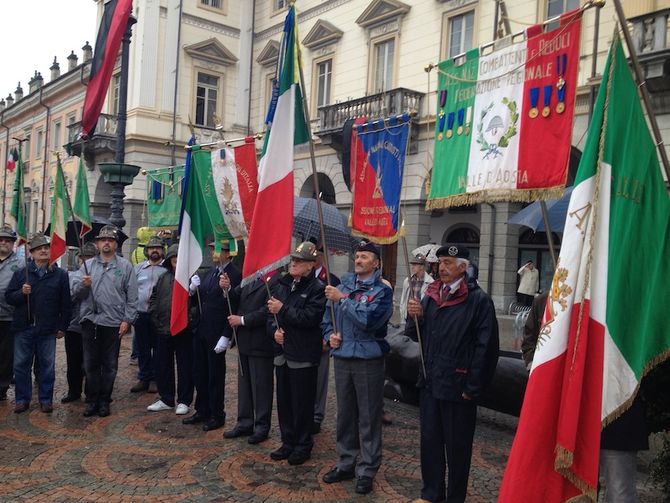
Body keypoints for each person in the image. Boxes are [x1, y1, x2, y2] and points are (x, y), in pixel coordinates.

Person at [406, 244, 499, 503]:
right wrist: (414, 317)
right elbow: (415, 335)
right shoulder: (433, 294)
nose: (442, 267)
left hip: (459, 387)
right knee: (430, 442)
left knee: (457, 448)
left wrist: (473, 387)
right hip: (431, 381)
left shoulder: (478, 300)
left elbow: (487, 348)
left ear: (463, 267)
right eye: (441, 262)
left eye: (448, 262)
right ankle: (431, 494)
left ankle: (455, 498)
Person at [321, 240, 394, 495]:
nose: (359, 260)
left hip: (367, 359)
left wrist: (342, 300)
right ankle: (346, 463)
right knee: (345, 415)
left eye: (364, 256)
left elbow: (369, 320)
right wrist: (330, 335)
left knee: (368, 416)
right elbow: (327, 318)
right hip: (343, 356)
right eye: (358, 256)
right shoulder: (342, 285)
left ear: (376, 263)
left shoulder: (382, 291)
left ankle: (367, 469)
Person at [267, 242, 326, 465]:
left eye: (299, 260)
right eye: (293, 259)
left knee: (302, 403)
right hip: (282, 352)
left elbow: (309, 318)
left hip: (302, 354)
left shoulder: (317, 289)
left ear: (311, 265)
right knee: (284, 401)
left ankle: (303, 444)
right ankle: (287, 441)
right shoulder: (282, 284)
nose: (293, 263)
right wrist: (274, 332)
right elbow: (268, 315)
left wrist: (283, 309)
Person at [73, 225, 138, 418]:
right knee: (90, 364)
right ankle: (91, 400)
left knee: (110, 365)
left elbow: (132, 297)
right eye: (103, 240)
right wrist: (84, 286)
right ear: (97, 244)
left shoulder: (125, 267)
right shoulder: (88, 266)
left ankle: (104, 400)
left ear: (116, 244)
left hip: (113, 323)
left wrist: (127, 319)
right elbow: (76, 293)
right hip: (90, 321)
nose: (107, 243)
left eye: (110, 240)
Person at [6, 234, 72, 413]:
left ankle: (45, 399)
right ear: (32, 253)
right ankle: (22, 399)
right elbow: (9, 297)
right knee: (21, 365)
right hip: (24, 327)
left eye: (46, 247)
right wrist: (21, 293)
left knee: (47, 367)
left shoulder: (60, 275)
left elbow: (66, 304)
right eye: (39, 248)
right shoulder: (22, 273)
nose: (43, 250)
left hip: (47, 329)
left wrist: (62, 326)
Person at [182, 240, 240, 431]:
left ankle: (217, 413)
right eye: (212, 248)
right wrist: (192, 290)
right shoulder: (210, 272)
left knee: (215, 375)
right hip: (202, 330)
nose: (213, 253)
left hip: (217, 332)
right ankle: (202, 408)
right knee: (200, 372)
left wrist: (226, 335)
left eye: (217, 250)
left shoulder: (234, 274)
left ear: (228, 253)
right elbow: (200, 301)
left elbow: (235, 303)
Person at [220, 270, 275, 444]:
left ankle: (261, 426)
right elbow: (235, 297)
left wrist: (242, 320)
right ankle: (244, 422)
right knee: (244, 386)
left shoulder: (274, 280)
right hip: (244, 341)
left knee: (261, 387)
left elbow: (268, 310)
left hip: (261, 342)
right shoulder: (249, 279)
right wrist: (227, 289)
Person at [147, 244, 193, 415]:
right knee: (163, 365)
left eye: (178, 258)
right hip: (163, 328)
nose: (175, 261)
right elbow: (153, 299)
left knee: (185, 365)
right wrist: (155, 318)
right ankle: (166, 398)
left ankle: (184, 399)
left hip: (183, 330)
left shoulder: (191, 278)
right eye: (173, 258)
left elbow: (196, 304)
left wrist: (190, 319)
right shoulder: (163, 278)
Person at [62, 242, 98, 403]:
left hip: (93, 324)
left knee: (91, 362)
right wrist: (84, 286)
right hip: (74, 325)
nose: (85, 261)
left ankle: (91, 392)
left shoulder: (99, 273)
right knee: (74, 361)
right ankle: (73, 391)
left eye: (90, 257)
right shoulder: (72, 276)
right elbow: (71, 297)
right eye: (83, 258)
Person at [131, 235, 166, 394]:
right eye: (152, 248)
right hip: (141, 314)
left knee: (158, 350)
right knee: (143, 349)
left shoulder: (167, 269)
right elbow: (131, 289)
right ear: (147, 251)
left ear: (162, 251)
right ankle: (144, 377)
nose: (154, 251)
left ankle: (156, 379)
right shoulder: (138, 268)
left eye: (157, 248)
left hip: (159, 317)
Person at [312, 245, 340, 435]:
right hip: (303, 336)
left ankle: (316, 416)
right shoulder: (302, 278)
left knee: (320, 379)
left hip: (321, 337)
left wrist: (327, 338)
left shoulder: (331, 280)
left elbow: (334, 311)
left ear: (321, 257)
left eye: (315, 255)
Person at [0, 227, 23, 401]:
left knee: (7, 354)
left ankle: (2, 387)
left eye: (7, 240)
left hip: (10, 315)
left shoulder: (21, 263)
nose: (4, 243)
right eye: (1, 240)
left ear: (13, 243)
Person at [399, 253, 434, 322]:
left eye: (415, 265)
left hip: (422, 317)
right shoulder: (408, 280)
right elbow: (403, 298)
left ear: (422, 266)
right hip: (408, 316)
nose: (412, 267)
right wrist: (402, 314)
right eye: (412, 265)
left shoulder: (431, 282)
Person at [521, 291, 549, 370]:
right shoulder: (541, 301)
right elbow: (528, 337)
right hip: (541, 368)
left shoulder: (582, 305)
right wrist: (531, 365)